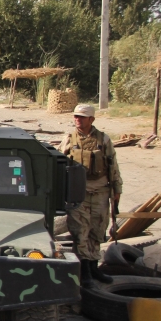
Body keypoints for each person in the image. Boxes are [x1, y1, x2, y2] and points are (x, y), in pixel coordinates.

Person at [59, 104, 123, 286]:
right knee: (80, 232)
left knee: (98, 230)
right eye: (76, 116)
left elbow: (113, 165)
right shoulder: (69, 139)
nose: (77, 120)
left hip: (101, 192)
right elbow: (57, 163)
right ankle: (83, 270)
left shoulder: (104, 140)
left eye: (82, 117)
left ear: (91, 119)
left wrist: (117, 189)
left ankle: (94, 267)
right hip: (79, 193)